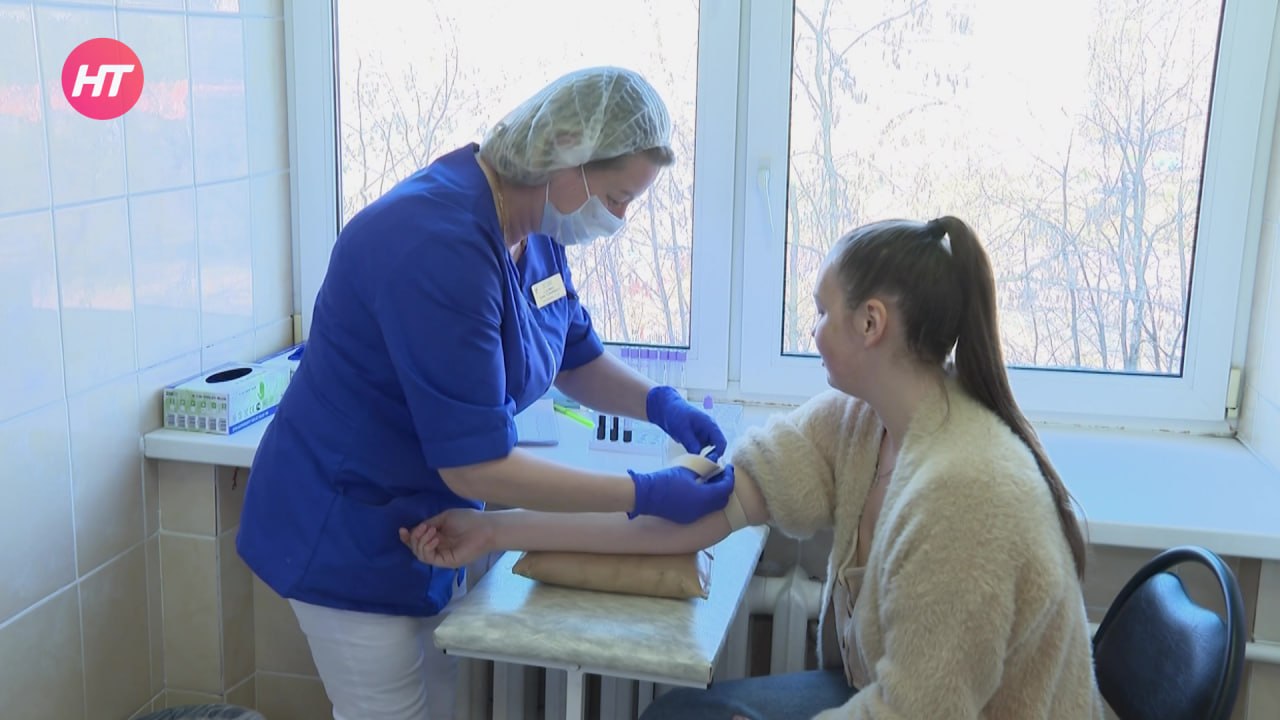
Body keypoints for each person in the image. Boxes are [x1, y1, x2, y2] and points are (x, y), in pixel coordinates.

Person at [402, 216, 1105, 719]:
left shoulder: (965, 494)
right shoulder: (859, 421)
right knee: (676, 714)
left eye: (822, 312)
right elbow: (696, 519)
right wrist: (496, 532)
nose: (812, 331)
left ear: (871, 324)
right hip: (883, 697)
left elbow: (918, 712)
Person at [235, 66, 735, 720]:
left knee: (440, 707)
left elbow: (574, 354)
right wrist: (642, 495)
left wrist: (661, 405)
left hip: (436, 523)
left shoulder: (535, 229)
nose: (620, 219)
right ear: (567, 157)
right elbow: (475, 463)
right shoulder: (435, 245)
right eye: (617, 198)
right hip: (345, 526)